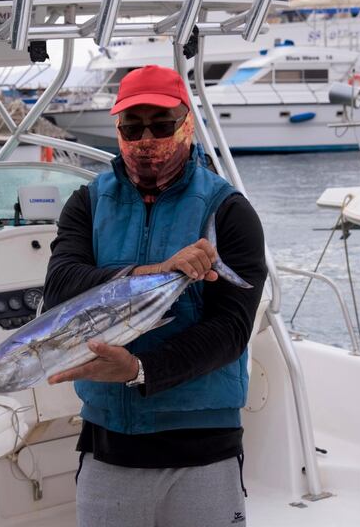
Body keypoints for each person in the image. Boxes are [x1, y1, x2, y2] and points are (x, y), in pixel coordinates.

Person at [42, 64, 267, 527]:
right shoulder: (87, 202)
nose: (146, 139)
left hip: (202, 450)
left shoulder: (229, 211)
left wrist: (142, 370)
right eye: (132, 125)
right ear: (118, 128)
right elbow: (62, 284)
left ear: (187, 123)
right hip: (109, 443)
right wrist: (157, 272)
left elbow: (231, 329)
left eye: (162, 124)